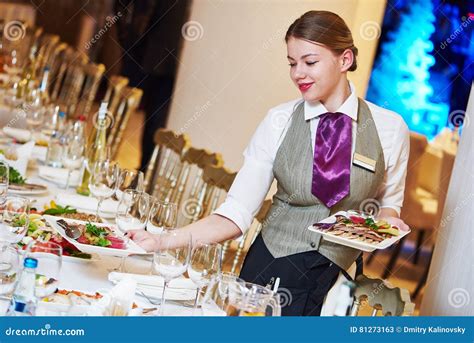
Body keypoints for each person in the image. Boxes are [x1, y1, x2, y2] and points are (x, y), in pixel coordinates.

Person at [128, 10, 410, 316]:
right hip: (271, 275)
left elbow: (388, 204)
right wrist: (161, 241)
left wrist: (389, 220)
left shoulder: (389, 129)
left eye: (310, 62)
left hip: (337, 285)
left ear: (344, 60)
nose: (298, 73)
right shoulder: (279, 121)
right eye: (292, 63)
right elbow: (235, 214)